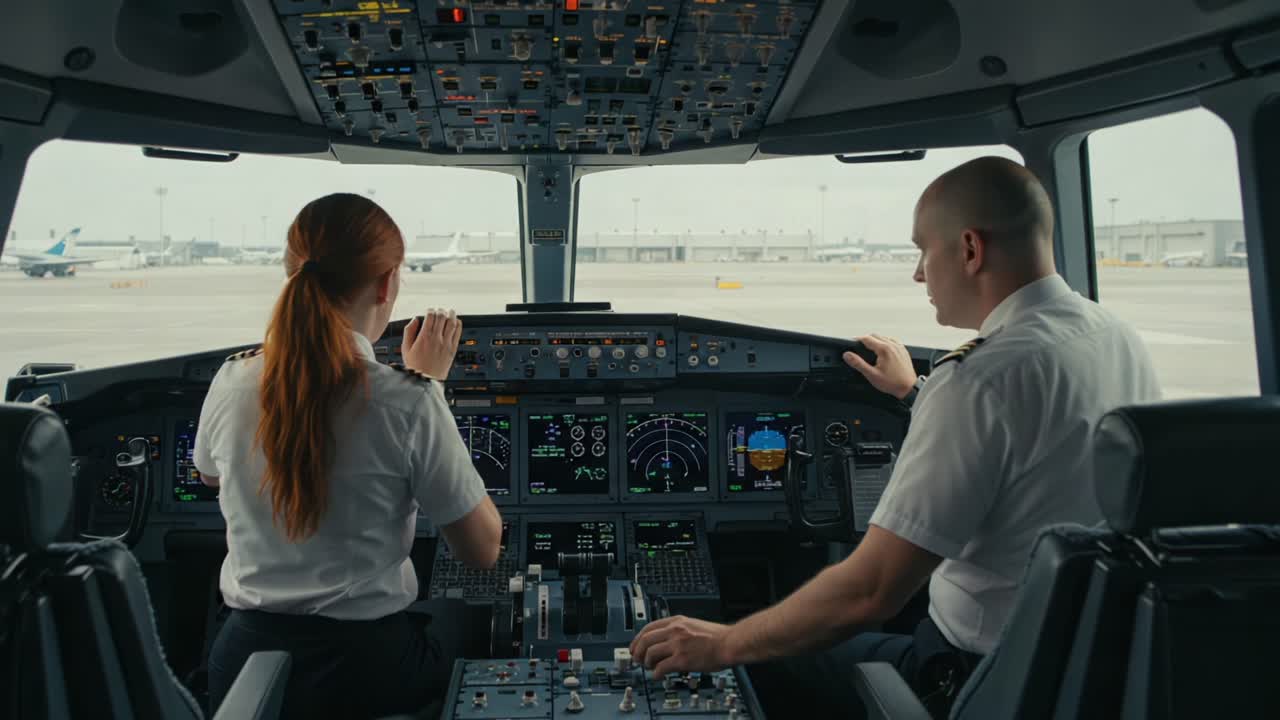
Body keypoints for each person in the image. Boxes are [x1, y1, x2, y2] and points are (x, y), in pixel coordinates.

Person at [629, 156, 1161, 716]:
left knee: (757, 661)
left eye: (921, 251)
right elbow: (1034, 434)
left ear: (970, 250)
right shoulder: (1114, 335)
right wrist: (916, 394)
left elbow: (870, 590)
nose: (918, 273)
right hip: (1085, 658)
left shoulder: (977, 381)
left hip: (974, 676)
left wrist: (723, 643)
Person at [196, 193, 502, 719]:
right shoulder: (407, 397)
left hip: (242, 660)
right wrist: (427, 383)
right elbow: (483, 549)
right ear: (386, 284)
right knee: (475, 617)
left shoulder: (231, 380)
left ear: (291, 273)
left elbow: (208, 476)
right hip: (365, 670)